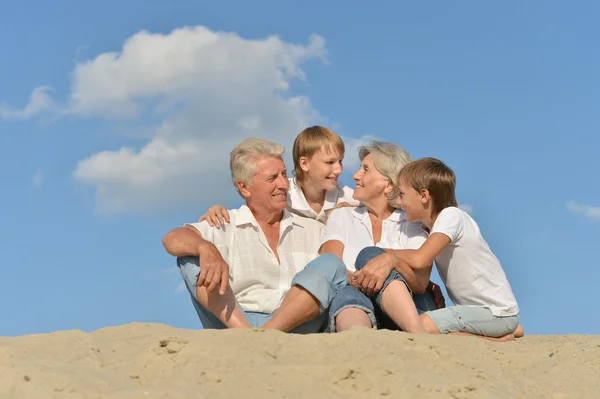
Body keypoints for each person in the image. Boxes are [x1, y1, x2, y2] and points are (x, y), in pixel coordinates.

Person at [162, 137, 347, 333]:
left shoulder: (314, 229)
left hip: (298, 326)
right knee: (190, 257)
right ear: (244, 187)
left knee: (332, 263)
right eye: (272, 178)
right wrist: (206, 248)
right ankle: (248, 335)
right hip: (236, 322)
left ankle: (263, 336)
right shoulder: (224, 224)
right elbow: (172, 238)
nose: (284, 184)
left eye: (284, 174)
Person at [385, 157, 522, 340]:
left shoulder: (451, 217)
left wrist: (383, 252)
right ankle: (507, 328)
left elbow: (420, 259)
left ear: (424, 196)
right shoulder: (430, 227)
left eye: (402, 194)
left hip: (494, 312)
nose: (399, 202)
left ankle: (497, 338)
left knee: (422, 325)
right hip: (482, 313)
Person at [319, 141, 443, 333]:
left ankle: (417, 336)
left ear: (389, 185)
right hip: (352, 300)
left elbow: (420, 283)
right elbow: (331, 264)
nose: (355, 175)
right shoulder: (342, 216)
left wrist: (391, 262)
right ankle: (357, 340)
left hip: (406, 311)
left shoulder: (412, 223)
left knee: (375, 259)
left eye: (365, 169)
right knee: (347, 291)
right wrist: (362, 279)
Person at [198, 126, 359, 226]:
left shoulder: (349, 197)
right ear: (304, 164)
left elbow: (380, 212)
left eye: (340, 161)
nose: (339, 169)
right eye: (329, 162)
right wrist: (217, 209)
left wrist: (354, 212)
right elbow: (254, 209)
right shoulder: (282, 192)